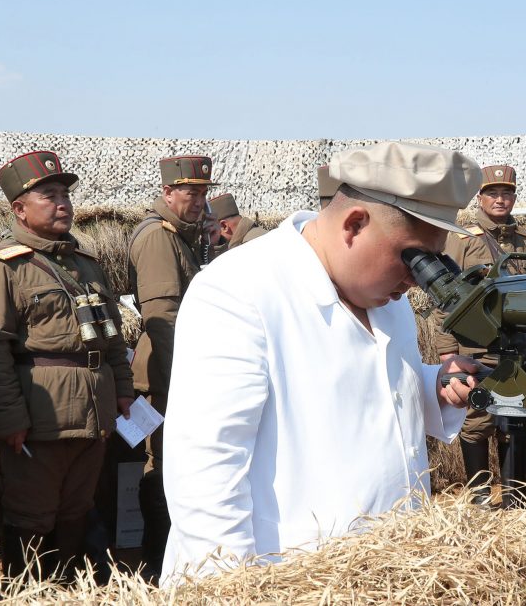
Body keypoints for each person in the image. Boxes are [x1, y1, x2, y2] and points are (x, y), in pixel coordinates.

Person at [162, 141, 481, 580]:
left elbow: (363, 392)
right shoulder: (238, 290)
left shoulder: (386, 298)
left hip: (390, 572)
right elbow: (205, 477)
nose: (416, 279)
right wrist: (233, 589)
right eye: (411, 258)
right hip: (292, 577)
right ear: (354, 224)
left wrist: (434, 387)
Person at [0, 151, 134, 580]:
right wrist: (6, 417)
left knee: (76, 513)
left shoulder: (87, 266)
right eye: (49, 195)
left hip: (93, 416)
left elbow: (111, 337)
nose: (63, 203)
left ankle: (65, 591)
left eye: (65, 194)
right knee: (31, 521)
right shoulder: (2, 268)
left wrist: (123, 389)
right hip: (39, 422)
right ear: (19, 209)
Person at [432, 164, 526, 505]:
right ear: (480, 198)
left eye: (507, 193)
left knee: (517, 417)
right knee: (477, 421)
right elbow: (445, 298)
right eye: (493, 193)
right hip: (475, 349)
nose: (500, 199)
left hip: (521, 350)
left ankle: (516, 498)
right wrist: (447, 351)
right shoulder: (463, 240)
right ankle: (480, 497)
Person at [126, 156, 216, 580]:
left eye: (203, 192)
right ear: (167, 193)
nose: (199, 201)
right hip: (166, 378)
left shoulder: (181, 235)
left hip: (174, 373)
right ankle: (157, 565)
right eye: (189, 193)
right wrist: (188, 381)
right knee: (162, 468)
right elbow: (163, 320)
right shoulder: (158, 238)